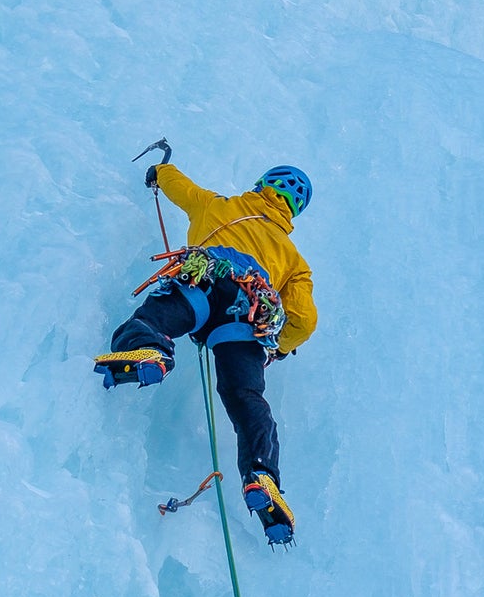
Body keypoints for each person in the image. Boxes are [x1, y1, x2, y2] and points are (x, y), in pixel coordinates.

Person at [95, 160, 317, 544]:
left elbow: (179, 185)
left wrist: (157, 172)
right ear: (294, 211)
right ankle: (262, 474)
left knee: (152, 321)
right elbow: (304, 319)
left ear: (261, 184)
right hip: (245, 318)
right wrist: (278, 348)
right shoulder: (294, 261)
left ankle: (150, 351)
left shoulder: (217, 205)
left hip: (207, 282)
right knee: (247, 398)